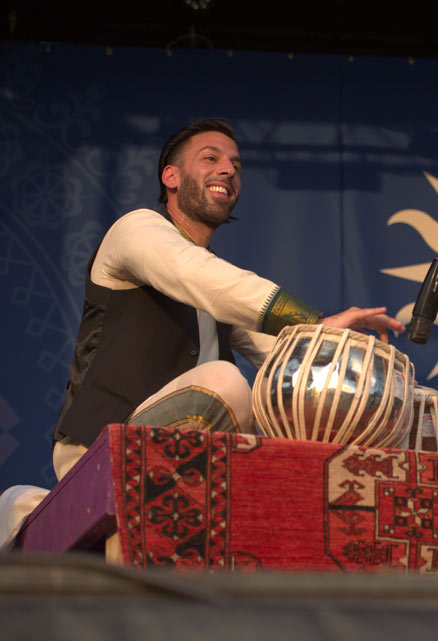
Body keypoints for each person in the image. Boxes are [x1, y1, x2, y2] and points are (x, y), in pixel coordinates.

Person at [49, 118, 404, 479]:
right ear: (171, 177)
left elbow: (282, 351)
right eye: (210, 158)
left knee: (294, 415)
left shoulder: (212, 281)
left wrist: (354, 364)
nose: (228, 170)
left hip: (183, 449)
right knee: (226, 383)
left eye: (236, 165)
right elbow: (197, 275)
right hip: (100, 446)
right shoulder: (136, 230)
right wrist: (314, 323)